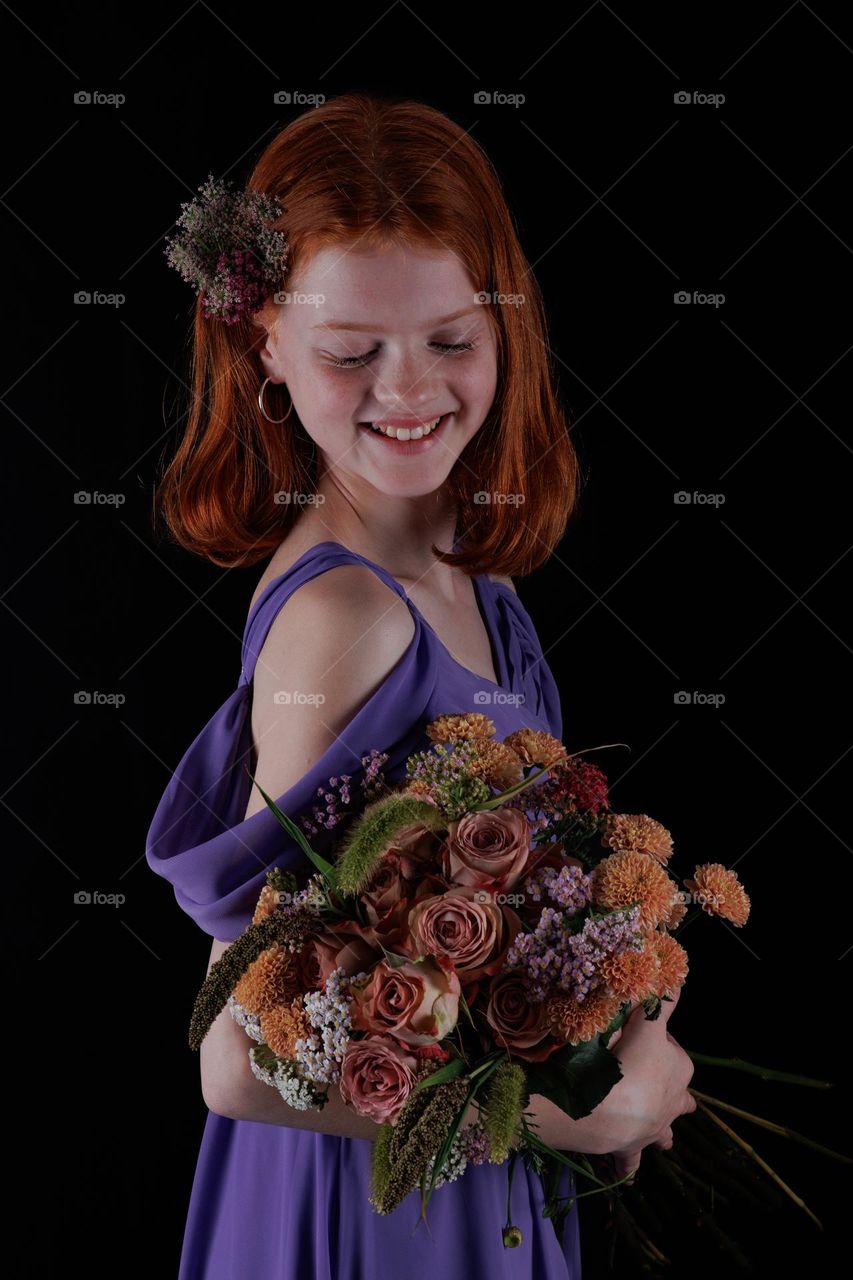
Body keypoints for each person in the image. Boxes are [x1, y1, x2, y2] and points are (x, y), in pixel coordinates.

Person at [146, 91, 695, 1280]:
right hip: (363, 1214)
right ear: (266, 349)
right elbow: (237, 1059)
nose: (409, 391)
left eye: (453, 339)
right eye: (353, 352)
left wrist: (612, 1033)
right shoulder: (344, 619)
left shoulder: (470, 578)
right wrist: (576, 1112)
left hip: (460, 1189)